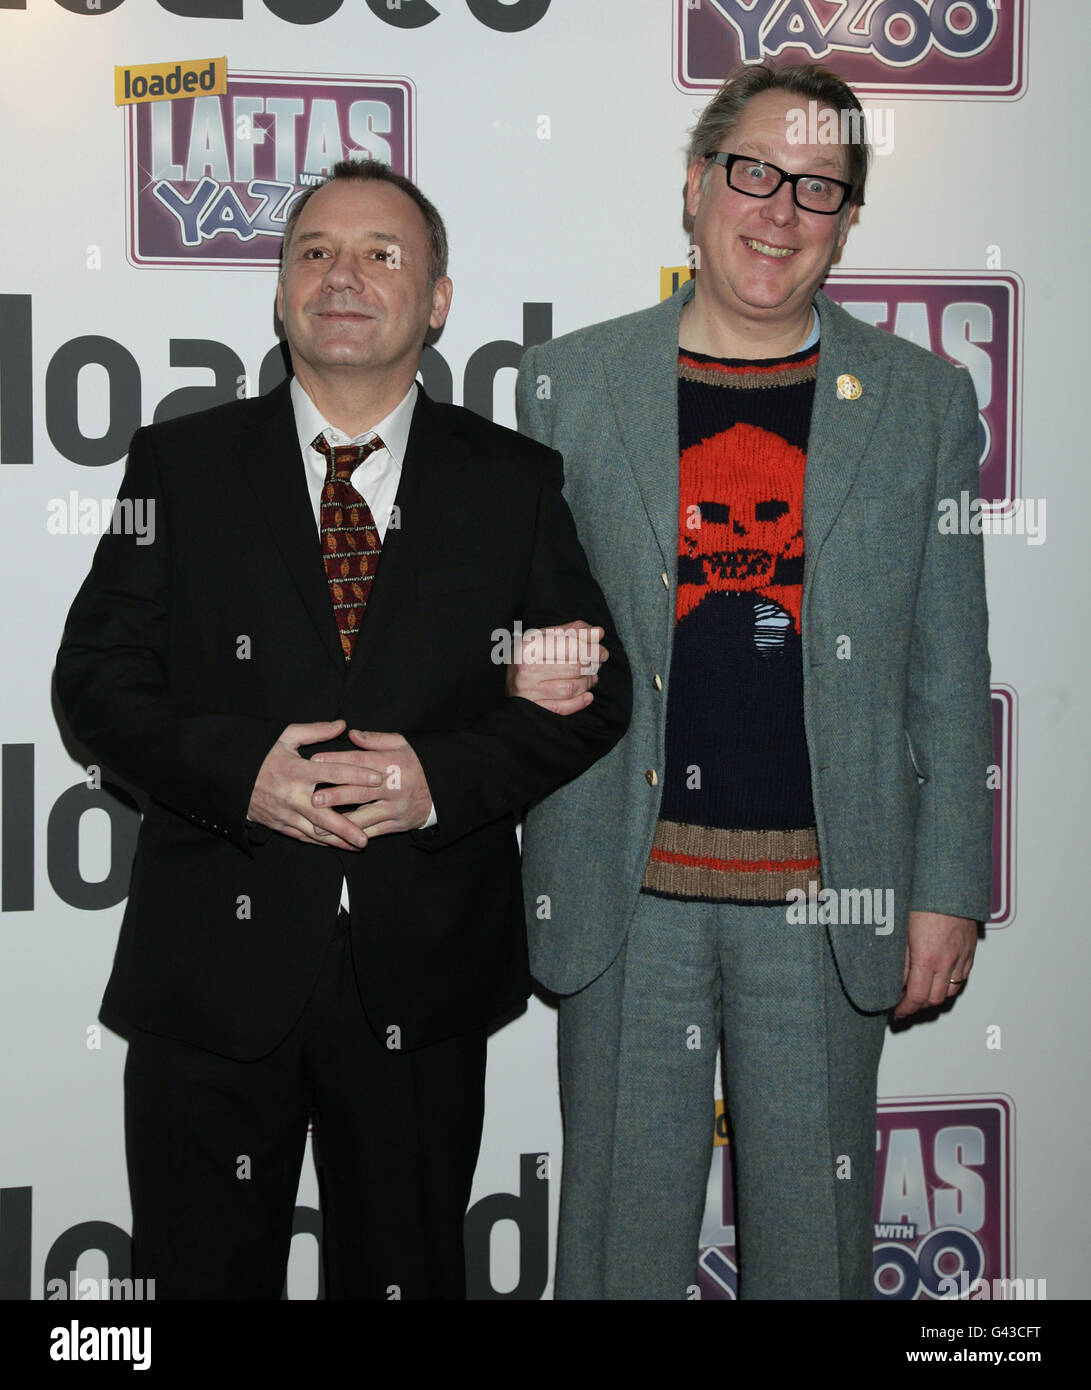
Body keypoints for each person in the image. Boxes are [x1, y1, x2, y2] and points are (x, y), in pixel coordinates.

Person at [54, 158, 630, 1301]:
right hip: (211, 979)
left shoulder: (511, 481)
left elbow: (595, 696)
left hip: (419, 972)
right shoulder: (180, 463)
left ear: (437, 299)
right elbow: (95, 682)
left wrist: (438, 781)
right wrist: (239, 773)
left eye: (381, 253)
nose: (342, 275)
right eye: (312, 251)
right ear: (279, 292)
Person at [511, 63, 992, 1300]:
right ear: (694, 186)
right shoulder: (569, 385)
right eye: (752, 172)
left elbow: (948, 670)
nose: (778, 210)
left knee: (811, 1259)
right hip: (624, 891)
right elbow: (508, 621)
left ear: (842, 221)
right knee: (615, 1255)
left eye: (817, 189)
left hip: (825, 904)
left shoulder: (921, 400)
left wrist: (946, 889)